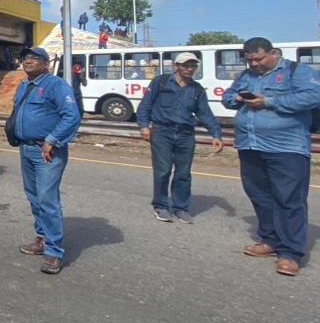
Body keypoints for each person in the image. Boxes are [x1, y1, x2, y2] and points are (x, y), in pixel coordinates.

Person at [223, 37, 320, 277]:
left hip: (286, 147)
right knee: (259, 195)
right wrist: (236, 98)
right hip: (250, 145)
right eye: (250, 60)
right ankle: (270, 240)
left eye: (259, 59)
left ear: (273, 53)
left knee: (289, 199)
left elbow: (312, 97)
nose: (254, 64)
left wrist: (268, 101)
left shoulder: (295, 71)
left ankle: (290, 253)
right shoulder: (246, 76)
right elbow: (227, 96)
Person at [11, 46, 82, 275]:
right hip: (26, 149)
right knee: (34, 197)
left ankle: (54, 251)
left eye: (34, 58)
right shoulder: (24, 85)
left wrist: (52, 140)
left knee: (47, 199)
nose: (28, 61)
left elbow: (72, 116)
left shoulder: (56, 85)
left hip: (47, 151)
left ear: (46, 63)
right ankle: (41, 238)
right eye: (25, 58)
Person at [136, 52, 224, 224]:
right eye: (185, 65)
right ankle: (161, 206)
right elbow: (145, 105)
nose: (189, 69)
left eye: (193, 66)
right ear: (176, 66)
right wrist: (144, 126)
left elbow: (204, 113)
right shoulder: (160, 82)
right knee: (163, 170)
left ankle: (181, 208)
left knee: (183, 173)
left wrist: (216, 134)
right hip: (162, 132)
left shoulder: (196, 89)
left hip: (185, 134)